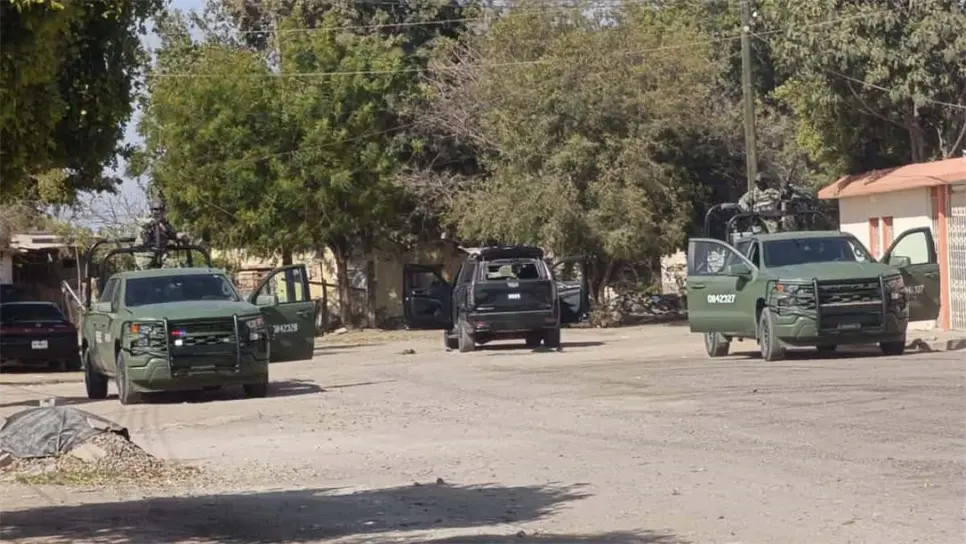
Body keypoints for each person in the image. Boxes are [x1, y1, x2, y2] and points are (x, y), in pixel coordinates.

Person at [134, 196, 184, 269]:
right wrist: (148, 226)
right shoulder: (145, 222)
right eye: (155, 209)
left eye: (160, 210)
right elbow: (143, 234)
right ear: (151, 210)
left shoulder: (165, 225)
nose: (157, 212)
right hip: (145, 256)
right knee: (146, 272)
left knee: (177, 266)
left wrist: (181, 236)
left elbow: (173, 234)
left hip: (161, 256)